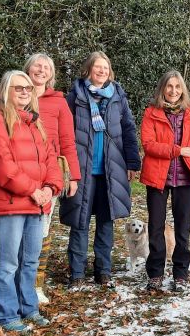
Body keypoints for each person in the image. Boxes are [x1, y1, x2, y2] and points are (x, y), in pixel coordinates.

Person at [0, 53, 80, 315]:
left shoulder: (35, 122)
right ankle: (5, 313)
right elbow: (1, 164)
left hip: (39, 199)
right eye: (18, 88)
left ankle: (28, 307)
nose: (23, 92)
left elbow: (53, 155)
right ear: (6, 90)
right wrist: (32, 190)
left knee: (31, 258)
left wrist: (51, 187)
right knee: (7, 260)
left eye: (27, 89)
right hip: (12, 199)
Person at [60, 51, 141, 287]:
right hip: (81, 171)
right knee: (80, 222)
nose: (102, 71)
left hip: (111, 170)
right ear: (89, 69)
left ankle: (103, 270)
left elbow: (128, 129)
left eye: (106, 68)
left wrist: (132, 162)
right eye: (98, 67)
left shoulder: (117, 96)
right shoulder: (74, 97)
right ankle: (77, 273)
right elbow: (64, 132)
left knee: (106, 222)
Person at [140, 71, 190, 293]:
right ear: (163, 88)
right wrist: (177, 150)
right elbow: (148, 144)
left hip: (185, 178)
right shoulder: (152, 113)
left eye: (178, 87)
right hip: (157, 177)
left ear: (183, 90)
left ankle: (180, 273)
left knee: (183, 228)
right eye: (169, 86)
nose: (173, 91)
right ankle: (155, 273)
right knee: (156, 227)